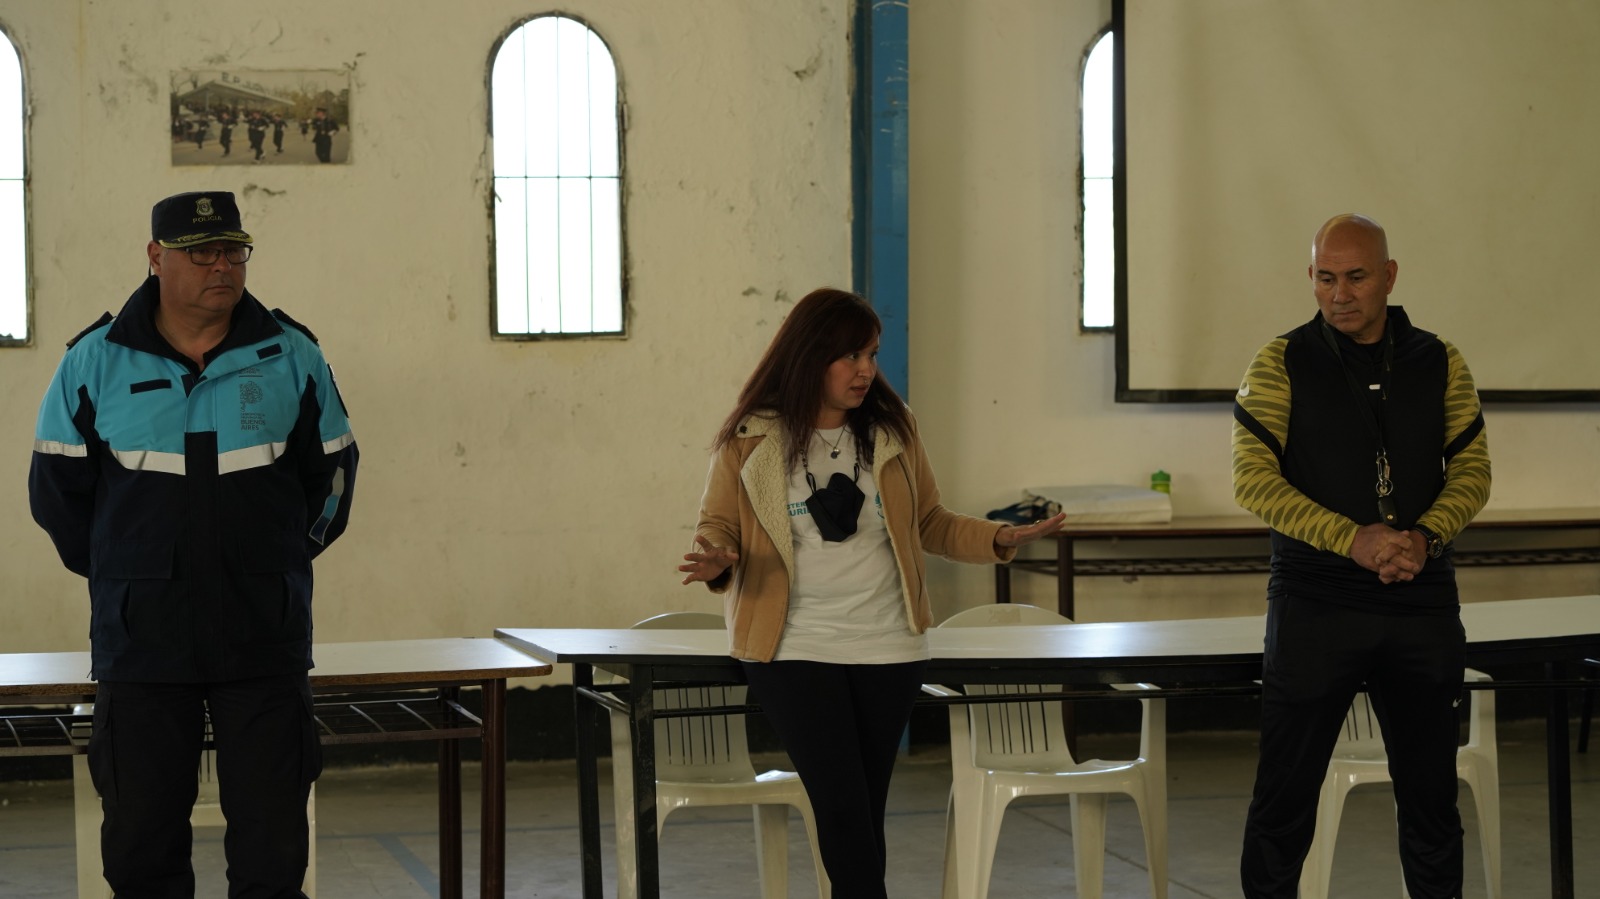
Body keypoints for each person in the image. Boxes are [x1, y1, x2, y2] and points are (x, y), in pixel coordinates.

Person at [679, 287, 1064, 898]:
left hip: (889, 647)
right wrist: (717, 558)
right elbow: (718, 525)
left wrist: (999, 536)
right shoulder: (751, 436)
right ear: (811, 356)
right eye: (851, 356)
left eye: (872, 355)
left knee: (862, 809)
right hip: (792, 647)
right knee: (841, 807)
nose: (866, 370)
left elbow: (930, 521)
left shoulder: (893, 430)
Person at [29, 191, 359, 898]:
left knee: (273, 853)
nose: (222, 266)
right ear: (156, 258)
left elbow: (333, 477)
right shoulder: (95, 363)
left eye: (233, 251)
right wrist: (125, 573)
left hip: (263, 640)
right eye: (201, 252)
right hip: (142, 646)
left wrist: (277, 560)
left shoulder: (291, 354)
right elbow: (57, 497)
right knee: (142, 850)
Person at [1232, 214, 1491, 899]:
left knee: (1432, 803)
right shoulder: (1279, 362)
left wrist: (1424, 539)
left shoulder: (1441, 360)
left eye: (1355, 277)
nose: (1339, 294)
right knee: (1284, 803)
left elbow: (1473, 473)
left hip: (1420, 599)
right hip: (1315, 600)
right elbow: (1253, 481)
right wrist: (1353, 538)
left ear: (1389, 276)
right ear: (1311, 277)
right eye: (1325, 278)